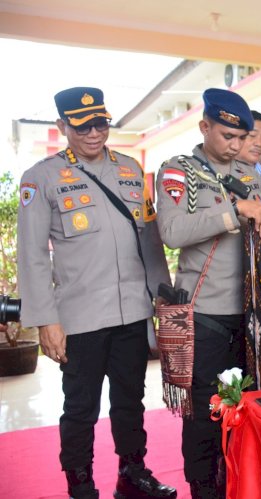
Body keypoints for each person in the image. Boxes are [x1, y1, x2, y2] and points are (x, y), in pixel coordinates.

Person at [17, 87, 176, 499]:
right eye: (82, 124)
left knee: (130, 401)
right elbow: (32, 256)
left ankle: (133, 471)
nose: (93, 132)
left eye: (100, 122)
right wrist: (46, 321)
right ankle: (81, 483)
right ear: (62, 127)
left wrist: (161, 299)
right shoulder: (41, 177)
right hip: (80, 318)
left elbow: (150, 241)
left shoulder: (129, 170)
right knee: (80, 409)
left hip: (132, 315)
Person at [156, 88, 261, 498]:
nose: (237, 145)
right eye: (228, 136)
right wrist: (234, 211)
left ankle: (236, 485)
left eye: (242, 137)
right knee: (202, 418)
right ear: (205, 126)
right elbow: (172, 232)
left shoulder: (249, 176)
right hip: (204, 317)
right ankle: (203, 489)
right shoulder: (179, 171)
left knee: (244, 412)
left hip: (248, 316)